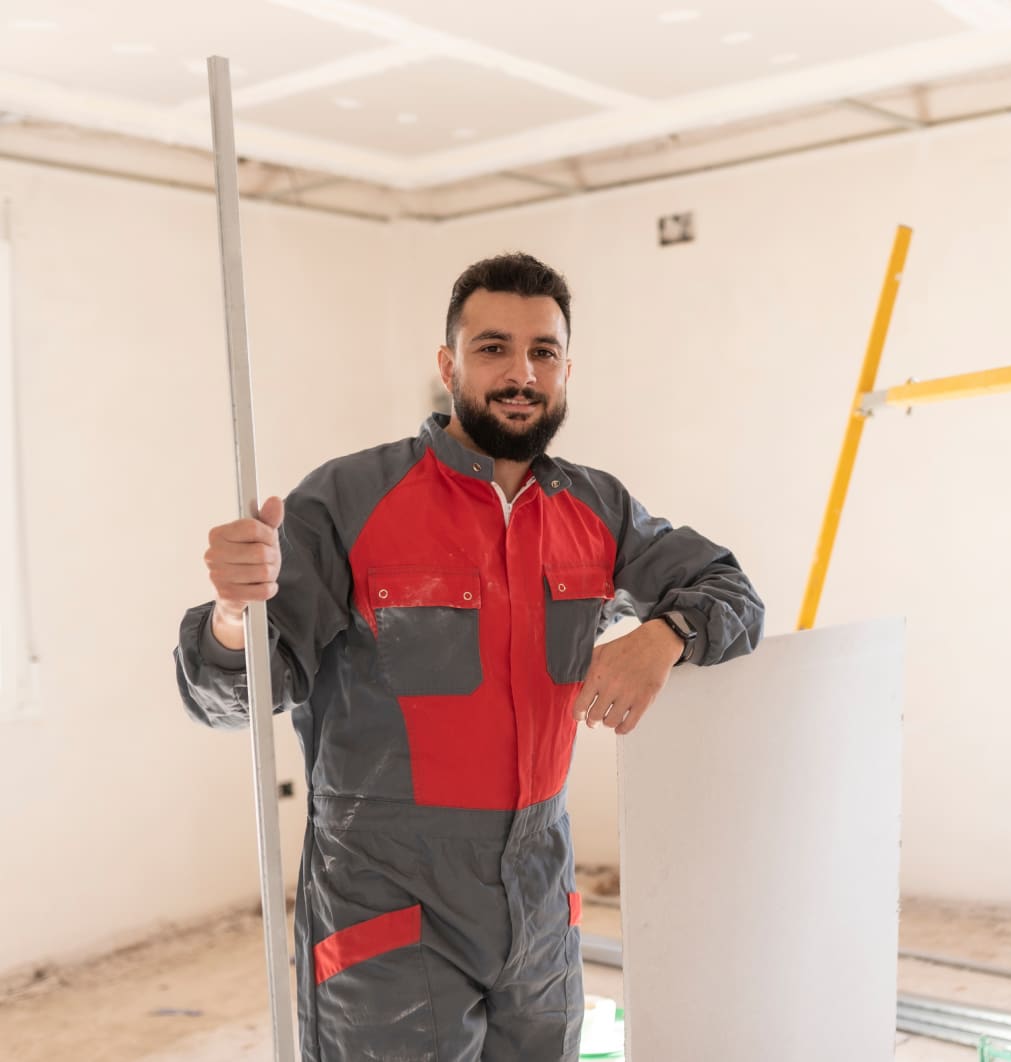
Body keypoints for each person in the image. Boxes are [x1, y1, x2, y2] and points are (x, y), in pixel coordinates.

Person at [174, 253, 764, 1062]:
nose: (520, 373)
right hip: (386, 891)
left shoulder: (597, 507)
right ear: (448, 365)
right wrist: (234, 613)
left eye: (543, 353)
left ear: (565, 369)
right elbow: (230, 696)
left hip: (537, 888)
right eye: (492, 349)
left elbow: (729, 588)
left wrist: (665, 637)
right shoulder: (349, 500)